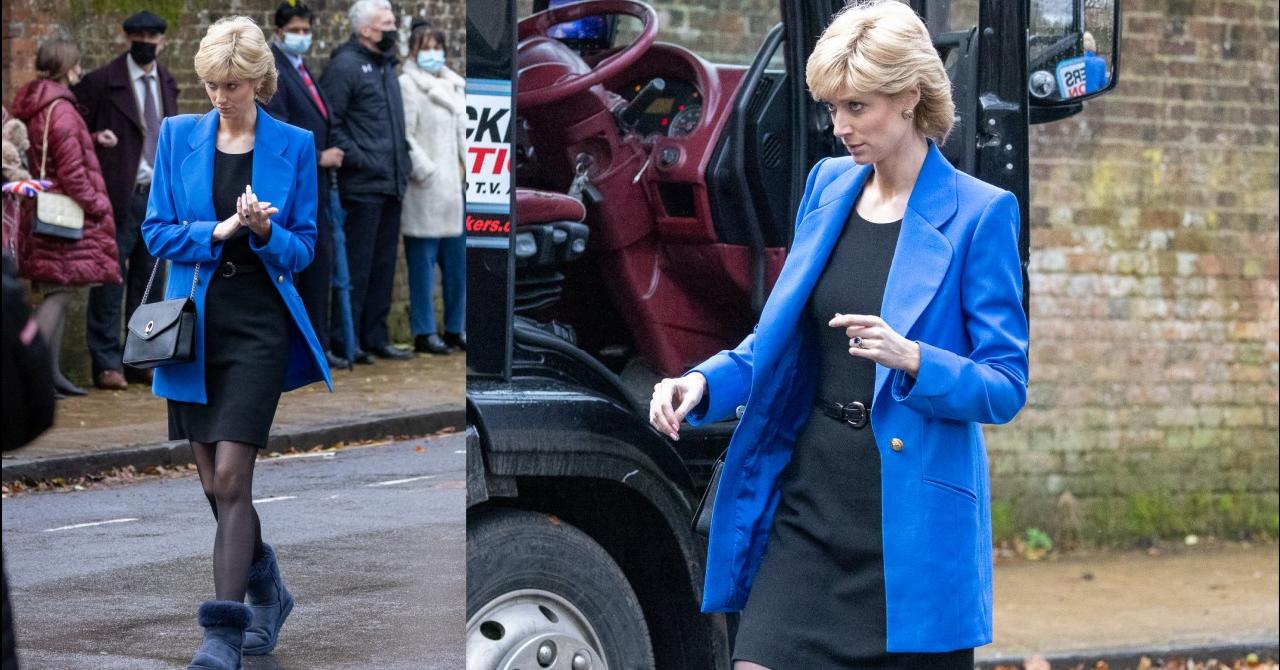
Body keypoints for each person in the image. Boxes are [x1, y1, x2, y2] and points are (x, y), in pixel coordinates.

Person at [648, 2, 1029, 667]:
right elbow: (778, 337)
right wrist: (702, 381)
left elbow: (1005, 384)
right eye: (831, 108)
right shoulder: (827, 187)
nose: (839, 127)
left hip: (909, 526)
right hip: (810, 506)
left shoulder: (981, 214)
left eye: (857, 107)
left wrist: (913, 358)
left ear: (910, 96)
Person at [141, 16, 332, 668]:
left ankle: (222, 633)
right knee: (213, 488)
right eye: (212, 85)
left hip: (258, 325)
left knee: (231, 475)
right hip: (191, 325)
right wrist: (220, 229)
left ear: (258, 82)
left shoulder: (295, 145)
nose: (220, 96)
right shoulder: (176, 136)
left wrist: (261, 232)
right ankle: (268, 589)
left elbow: (303, 249)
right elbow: (156, 233)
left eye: (233, 85)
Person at [73, 10, 180, 391]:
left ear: (162, 41)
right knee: (109, 280)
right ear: (127, 38)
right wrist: (94, 137)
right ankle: (105, 363)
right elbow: (73, 126)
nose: (147, 42)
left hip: (156, 199)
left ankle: (142, 359)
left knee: (150, 283)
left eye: (153, 36)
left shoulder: (167, 81)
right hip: (117, 196)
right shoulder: (103, 81)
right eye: (140, 36)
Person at [11, 38, 122, 399]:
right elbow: (72, 173)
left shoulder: (38, 103)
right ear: (66, 66)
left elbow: (50, 151)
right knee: (59, 294)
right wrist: (97, 205)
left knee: (59, 291)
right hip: (62, 214)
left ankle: (50, 374)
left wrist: (90, 138)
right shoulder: (61, 108)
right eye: (76, 63)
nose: (80, 70)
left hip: (42, 208)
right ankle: (30, 373)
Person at [319, 0, 413, 363]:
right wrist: (363, 159)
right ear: (365, 29)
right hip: (362, 184)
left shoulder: (386, 67)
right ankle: (347, 337)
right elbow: (332, 124)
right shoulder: (345, 67)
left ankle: (376, 335)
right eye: (386, 23)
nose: (393, 29)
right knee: (356, 266)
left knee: (383, 265)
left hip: (390, 183)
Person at [264, 0, 349, 370]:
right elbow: (278, 124)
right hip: (297, 182)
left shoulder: (301, 67)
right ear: (280, 31)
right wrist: (317, 155)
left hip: (317, 186)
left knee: (321, 266)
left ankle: (318, 343)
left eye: (306, 30)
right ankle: (306, 345)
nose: (303, 37)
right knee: (305, 266)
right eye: (296, 30)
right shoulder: (275, 70)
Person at [400, 21, 466, 355]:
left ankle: (457, 327)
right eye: (424, 48)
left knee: (457, 264)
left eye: (435, 47)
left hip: (454, 190)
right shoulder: (408, 86)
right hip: (425, 191)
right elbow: (405, 135)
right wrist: (426, 171)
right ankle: (424, 332)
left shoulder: (455, 86)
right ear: (413, 51)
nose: (431, 54)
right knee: (423, 267)